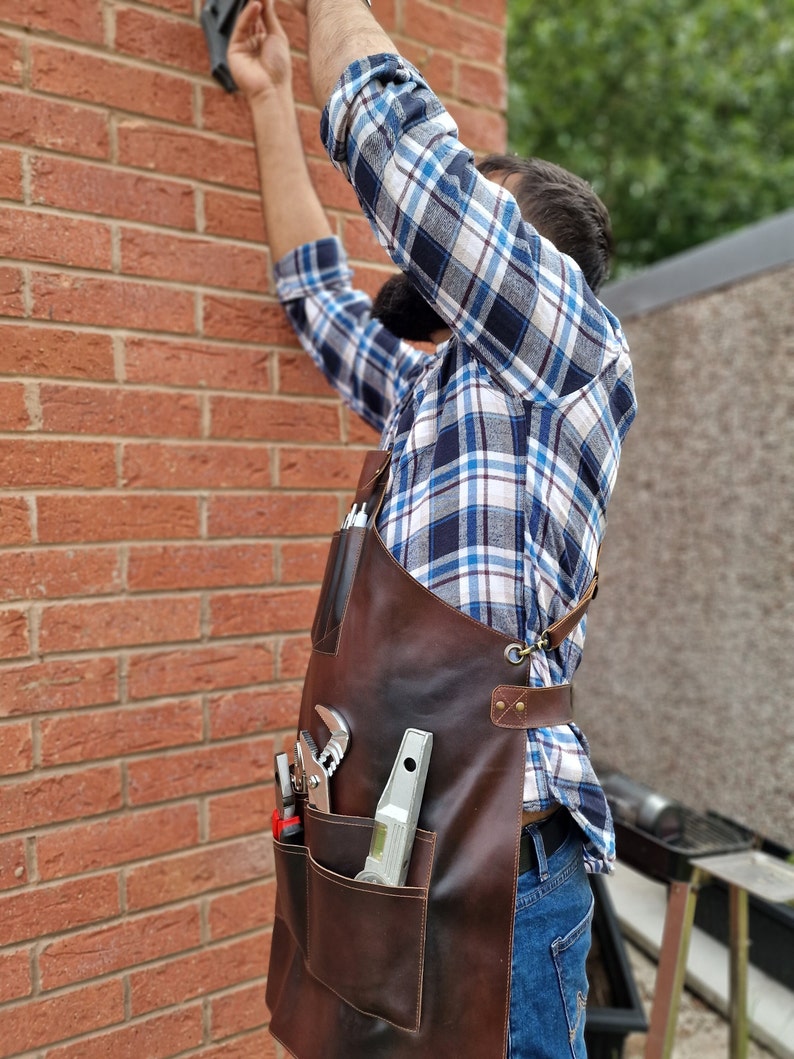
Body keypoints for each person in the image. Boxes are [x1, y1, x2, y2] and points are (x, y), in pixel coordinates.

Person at [228, 2, 637, 1057]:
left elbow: (403, 155)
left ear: (532, 266)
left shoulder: (569, 354)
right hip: (386, 875)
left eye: (475, 229)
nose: (431, 251)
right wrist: (272, 95)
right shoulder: (433, 393)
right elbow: (316, 298)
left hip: (495, 876)